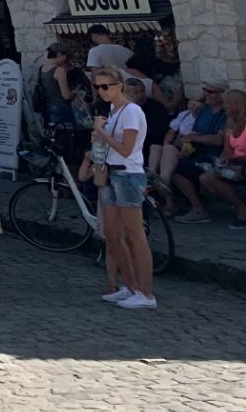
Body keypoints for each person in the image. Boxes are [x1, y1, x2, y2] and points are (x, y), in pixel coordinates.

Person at [87, 68, 155, 306]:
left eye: (106, 86)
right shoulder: (114, 112)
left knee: (135, 235)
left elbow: (126, 149)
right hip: (110, 174)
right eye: (98, 87)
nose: (101, 91)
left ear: (119, 85)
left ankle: (146, 293)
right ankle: (130, 285)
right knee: (113, 235)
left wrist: (100, 132)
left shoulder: (131, 112)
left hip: (127, 175)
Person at [167, 81, 230, 219]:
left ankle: (199, 209)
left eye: (210, 92)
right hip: (198, 151)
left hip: (215, 155)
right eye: (205, 90)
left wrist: (196, 138)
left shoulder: (225, 114)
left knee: (190, 171)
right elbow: (195, 132)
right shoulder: (205, 111)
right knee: (176, 169)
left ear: (222, 95)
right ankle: (197, 207)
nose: (205, 94)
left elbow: (219, 139)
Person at [196, 87, 246, 228]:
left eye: (227, 103)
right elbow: (227, 149)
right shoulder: (230, 124)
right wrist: (223, 161)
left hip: (244, 165)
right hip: (235, 163)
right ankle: (241, 207)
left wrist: (239, 164)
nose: (224, 106)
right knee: (206, 177)